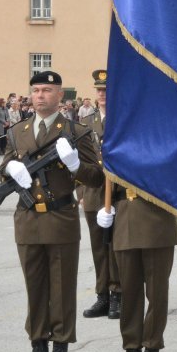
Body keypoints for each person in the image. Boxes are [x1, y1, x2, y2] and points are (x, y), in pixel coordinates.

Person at [0, 71, 104, 352]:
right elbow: (4, 168)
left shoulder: (76, 131)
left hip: (60, 218)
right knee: (35, 289)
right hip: (29, 219)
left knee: (61, 289)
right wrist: (9, 168)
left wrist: (75, 166)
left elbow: (96, 177)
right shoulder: (18, 132)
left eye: (47, 90)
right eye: (36, 90)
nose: (40, 95)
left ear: (60, 96)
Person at [96, 181, 177, 352]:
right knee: (129, 295)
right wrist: (103, 205)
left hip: (157, 218)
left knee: (156, 294)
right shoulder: (112, 145)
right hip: (125, 218)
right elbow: (102, 176)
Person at [79, 70, 122, 320]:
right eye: (99, 90)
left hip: (118, 193)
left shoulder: (123, 120)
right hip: (93, 193)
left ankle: (118, 293)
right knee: (98, 247)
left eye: (106, 90)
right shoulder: (85, 124)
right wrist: (80, 192)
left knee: (116, 246)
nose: (102, 94)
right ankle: (102, 295)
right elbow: (78, 163)